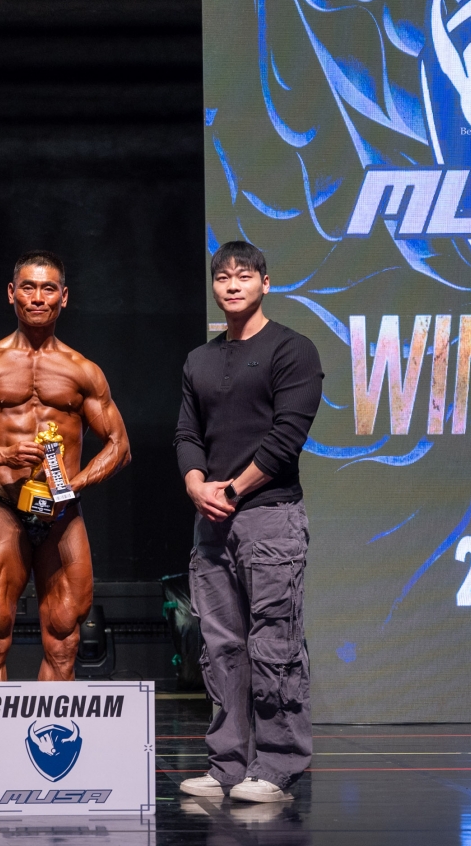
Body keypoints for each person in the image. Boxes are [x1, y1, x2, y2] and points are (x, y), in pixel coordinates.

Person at [0, 251, 130, 681]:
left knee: (65, 637)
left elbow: (120, 446)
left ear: (64, 297)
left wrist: (73, 485)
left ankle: (53, 729)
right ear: (11, 293)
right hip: (5, 508)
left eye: (48, 289)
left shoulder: (83, 372)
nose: (38, 297)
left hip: (62, 513)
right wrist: (1, 455)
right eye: (28, 287)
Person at [174, 241, 323, 803]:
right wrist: (196, 485)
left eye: (243, 276)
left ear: (266, 282)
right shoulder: (199, 360)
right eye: (222, 277)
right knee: (220, 649)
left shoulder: (292, 349)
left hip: (269, 518)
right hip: (211, 523)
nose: (232, 285)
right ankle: (228, 765)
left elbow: (286, 438)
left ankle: (277, 767)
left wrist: (233, 489)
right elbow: (187, 434)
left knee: (274, 644)